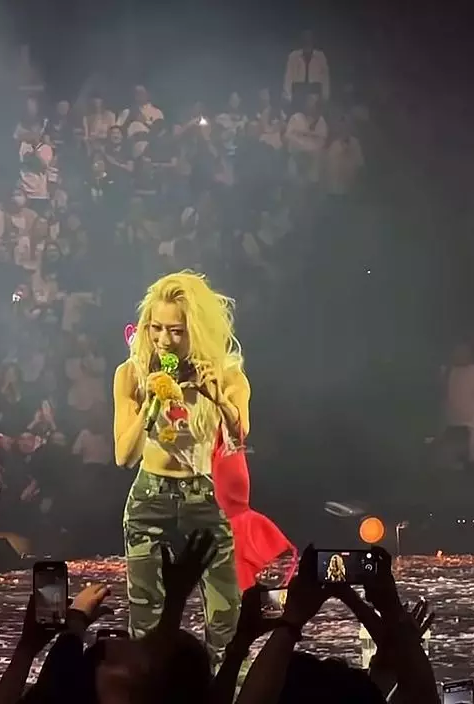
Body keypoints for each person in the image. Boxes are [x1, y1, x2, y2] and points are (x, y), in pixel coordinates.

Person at [113, 270, 293, 668]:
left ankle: (224, 691)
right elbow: (124, 456)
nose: (163, 340)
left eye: (176, 331)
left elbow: (239, 435)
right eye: (156, 328)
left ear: (195, 330)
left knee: (226, 626)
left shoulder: (228, 375)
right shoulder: (130, 374)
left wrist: (219, 399)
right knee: (146, 626)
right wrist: (151, 404)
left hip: (208, 500)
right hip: (150, 499)